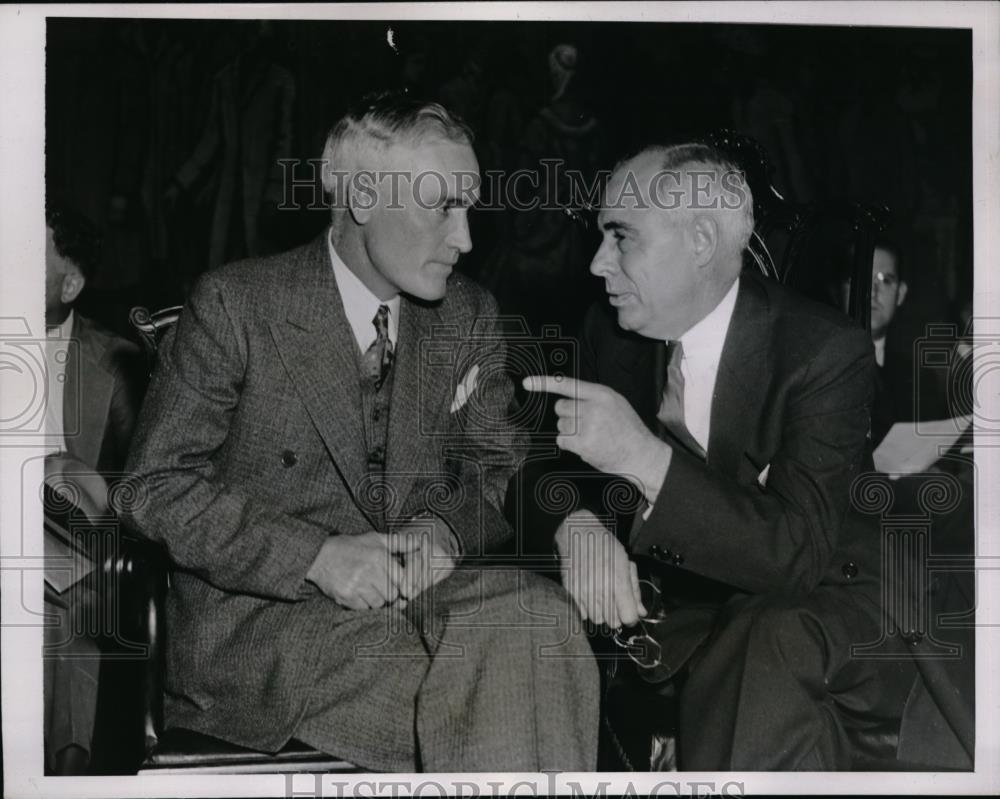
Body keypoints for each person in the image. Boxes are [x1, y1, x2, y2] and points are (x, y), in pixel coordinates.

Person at [123, 95, 599, 773]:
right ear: (365, 196)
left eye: (470, 208)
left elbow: (498, 472)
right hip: (271, 632)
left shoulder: (468, 313)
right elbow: (153, 488)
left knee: (542, 619)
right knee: (507, 687)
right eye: (444, 207)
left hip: (426, 599)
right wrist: (318, 555)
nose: (465, 239)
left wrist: (443, 532)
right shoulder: (237, 304)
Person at [525, 143, 915, 770]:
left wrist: (644, 460)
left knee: (761, 645)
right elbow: (536, 464)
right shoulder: (614, 333)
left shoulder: (822, 351)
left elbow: (796, 555)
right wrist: (574, 526)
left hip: (826, 601)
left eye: (621, 237)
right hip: (681, 613)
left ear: (701, 240)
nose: (598, 263)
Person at [43, 203, 143, 774]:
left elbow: (143, 491)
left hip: (75, 540)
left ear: (71, 283)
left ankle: (67, 767)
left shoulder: (117, 361)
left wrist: (83, 478)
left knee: (66, 604)